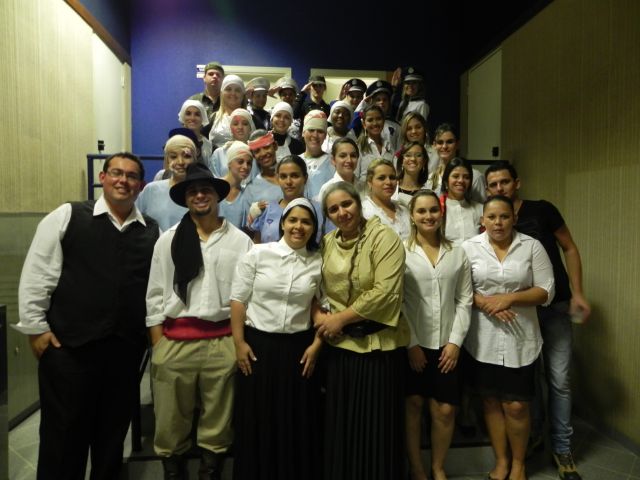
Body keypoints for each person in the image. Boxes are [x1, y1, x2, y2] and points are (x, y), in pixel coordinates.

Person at [17, 152, 159, 480]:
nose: (123, 180)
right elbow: (38, 272)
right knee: (63, 436)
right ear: (103, 177)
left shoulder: (150, 229)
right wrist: (36, 328)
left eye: (131, 176)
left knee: (111, 438)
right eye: (116, 173)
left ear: (140, 185)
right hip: (69, 349)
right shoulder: (68, 215)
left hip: (124, 352)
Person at [145, 163, 253, 480]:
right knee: (170, 417)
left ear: (217, 196)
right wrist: (158, 343)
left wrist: (237, 342)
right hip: (175, 341)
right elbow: (155, 292)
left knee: (218, 417)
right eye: (192, 191)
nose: (200, 195)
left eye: (205, 190)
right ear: (186, 198)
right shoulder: (168, 240)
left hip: (222, 340)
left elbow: (247, 295)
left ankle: (210, 468)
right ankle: (172, 469)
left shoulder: (240, 241)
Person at [485, 161, 591, 480]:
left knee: (558, 379)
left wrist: (578, 292)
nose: (500, 188)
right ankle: (535, 435)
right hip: (520, 312)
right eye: (493, 184)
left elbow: (569, 247)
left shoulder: (542, 210)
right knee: (528, 381)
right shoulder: (493, 219)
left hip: (555, 306)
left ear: (517, 183)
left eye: (505, 182)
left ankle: (562, 447)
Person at [316, 181, 409, 480]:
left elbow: (386, 292)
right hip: (340, 348)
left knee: (375, 428)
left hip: (377, 347)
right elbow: (317, 287)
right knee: (343, 425)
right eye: (333, 209)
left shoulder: (385, 237)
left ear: (358, 203)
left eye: (347, 204)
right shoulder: (327, 242)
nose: (342, 213)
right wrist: (324, 318)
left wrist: (340, 319)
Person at [461, 195, 555, 480]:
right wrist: (486, 303)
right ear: (482, 220)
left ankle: (518, 464)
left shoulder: (531, 246)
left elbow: (545, 291)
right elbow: (461, 289)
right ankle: (501, 461)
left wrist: (509, 299)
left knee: (516, 406)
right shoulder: (469, 248)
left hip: (520, 340)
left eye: (504, 216)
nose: (498, 223)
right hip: (482, 341)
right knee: (490, 402)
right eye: (491, 217)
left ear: (514, 218)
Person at [231, 197, 324, 480]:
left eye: (306, 222)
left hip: (299, 349)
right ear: (282, 223)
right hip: (258, 347)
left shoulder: (318, 262)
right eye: (293, 220)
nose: (298, 227)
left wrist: (317, 346)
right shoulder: (258, 254)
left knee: (296, 420)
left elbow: (323, 308)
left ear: (314, 228)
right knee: (258, 418)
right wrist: (239, 343)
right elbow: (238, 300)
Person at [403, 190, 473, 480]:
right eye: (421, 211)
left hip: (447, 345)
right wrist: (411, 344)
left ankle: (438, 467)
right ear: (412, 216)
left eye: (433, 210)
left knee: (444, 410)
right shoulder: (401, 251)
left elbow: (465, 300)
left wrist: (455, 343)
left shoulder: (457, 252)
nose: (428, 216)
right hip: (414, 344)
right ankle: (417, 468)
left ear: (441, 214)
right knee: (413, 405)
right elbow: (397, 302)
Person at [250, 155, 323, 244]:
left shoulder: (320, 210)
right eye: (283, 176)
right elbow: (257, 245)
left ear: (305, 178)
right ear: (278, 179)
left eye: (294, 176)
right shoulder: (266, 209)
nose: (288, 182)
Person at [137, 134, 196, 231]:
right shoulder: (151, 190)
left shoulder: (203, 193)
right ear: (167, 160)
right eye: (173, 157)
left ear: (194, 159)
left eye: (187, 156)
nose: (180, 162)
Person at [427, 123, 486, 203]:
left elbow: (482, 207)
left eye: (449, 142)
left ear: (458, 144)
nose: (444, 146)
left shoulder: (475, 176)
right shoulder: (431, 179)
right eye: (440, 142)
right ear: (434, 145)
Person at [362, 158, 411, 240]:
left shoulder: (404, 210)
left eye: (392, 177)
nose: (388, 182)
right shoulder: (363, 212)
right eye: (381, 178)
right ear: (370, 183)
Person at [242, 130, 283, 227]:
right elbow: (249, 227)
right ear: (253, 156)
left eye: (266, 147)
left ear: (275, 146)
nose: (263, 153)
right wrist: (254, 214)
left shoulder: (293, 173)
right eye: (257, 151)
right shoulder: (251, 189)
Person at [440, 157, 483, 246]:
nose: (461, 180)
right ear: (446, 181)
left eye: (466, 177)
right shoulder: (438, 208)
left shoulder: (480, 209)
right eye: (455, 176)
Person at [207, 108, 255, 178]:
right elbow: (214, 178)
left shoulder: (256, 153)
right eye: (235, 124)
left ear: (250, 128)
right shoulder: (219, 153)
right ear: (230, 128)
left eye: (245, 124)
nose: (240, 127)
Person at [315, 137, 364, 204]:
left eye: (353, 155)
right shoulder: (327, 189)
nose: (349, 160)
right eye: (343, 156)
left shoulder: (364, 187)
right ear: (333, 160)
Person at [355, 104, 395, 182]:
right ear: (364, 124)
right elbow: (354, 177)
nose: (375, 123)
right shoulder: (358, 147)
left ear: (384, 121)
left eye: (378, 119)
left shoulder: (389, 145)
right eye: (370, 120)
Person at [301, 110, 335, 200]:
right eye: (311, 130)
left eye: (320, 131)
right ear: (303, 132)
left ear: (325, 135)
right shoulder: (295, 162)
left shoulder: (333, 162)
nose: (315, 135)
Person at [219, 141, 253, 228]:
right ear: (229, 163)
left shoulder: (246, 195)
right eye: (240, 162)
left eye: (249, 163)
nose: (245, 167)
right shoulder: (214, 188)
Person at [209, 74, 248, 148]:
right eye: (228, 89)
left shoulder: (252, 120)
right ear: (222, 93)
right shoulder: (212, 118)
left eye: (237, 90)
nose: (233, 93)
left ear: (243, 95)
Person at [189, 61, 225, 136]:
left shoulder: (228, 101)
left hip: (222, 142)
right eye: (211, 74)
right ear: (204, 78)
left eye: (218, 75)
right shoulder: (194, 100)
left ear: (222, 80)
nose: (214, 76)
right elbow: (185, 124)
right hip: (197, 141)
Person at [394, 141, 430, 207]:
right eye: (408, 155)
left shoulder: (428, 193)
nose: (413, 159)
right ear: (401, 161)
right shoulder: (391, 186)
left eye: (418, 155)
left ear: (424, 161)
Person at [178, 99, 212, 163]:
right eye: (188, 114)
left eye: (197, 114)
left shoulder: (209, 146)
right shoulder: (175, 141)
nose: (192, 118)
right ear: (183, 117)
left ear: (202, 118)